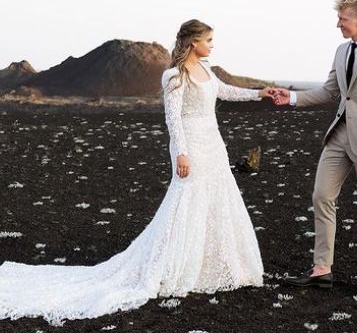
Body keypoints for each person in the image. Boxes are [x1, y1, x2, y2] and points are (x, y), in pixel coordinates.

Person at [0, 20, 275, 325]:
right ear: (193, 42)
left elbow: (227, 92)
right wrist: (181, 152)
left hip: (214, 145)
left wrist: (259, 93)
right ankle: (177, 266)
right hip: (191, 147)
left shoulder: (208, 71)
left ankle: (215, 265)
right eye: (208, 40)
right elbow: (173, 119)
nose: (212, 45)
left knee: (218, 199)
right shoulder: (173, 75)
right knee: (186, 203)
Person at [274, 0, 357, 299]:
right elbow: (331, 91)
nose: (338, 24)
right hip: (339, 135)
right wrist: (290, 98)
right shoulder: (342, 50)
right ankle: (322, 269)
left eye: (343, 18)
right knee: (321, 195)